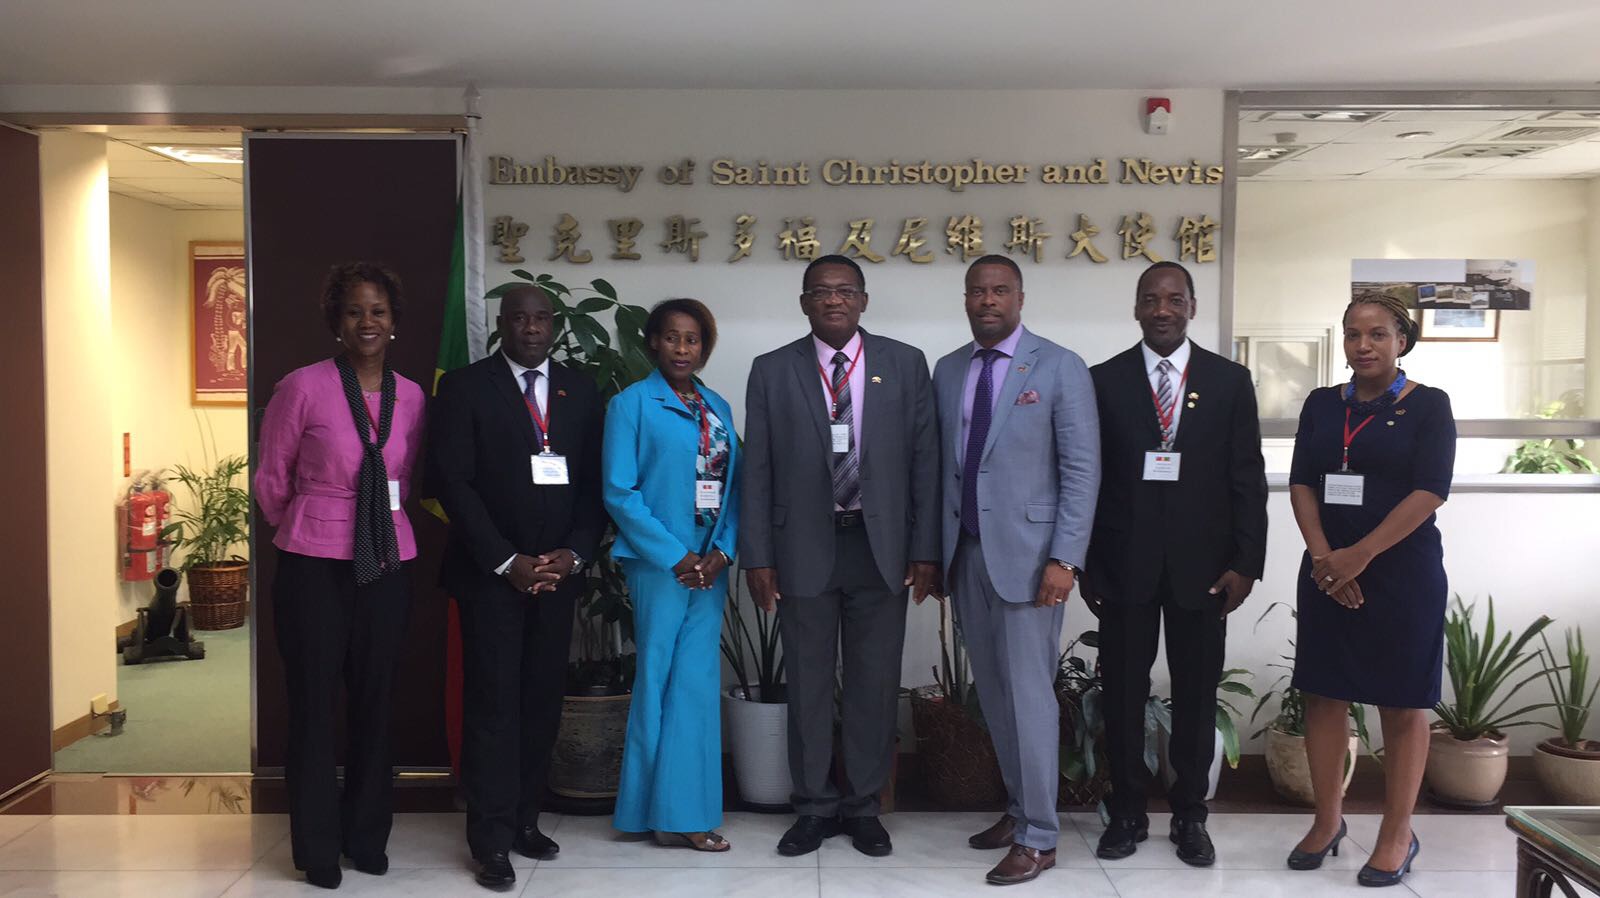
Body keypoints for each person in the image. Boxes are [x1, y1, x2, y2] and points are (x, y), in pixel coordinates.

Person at [740, 254, 941, 858]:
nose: (834, 299)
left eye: (845, 290)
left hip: (882, 549)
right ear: (804, 302)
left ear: (863, 300)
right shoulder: (772, 369)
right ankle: (813, 807)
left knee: (873, 685)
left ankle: (863, 806)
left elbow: (926, 462)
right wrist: (758, 557)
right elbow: (757, 470)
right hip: (801, 546)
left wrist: (925, 549)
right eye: (821, 291)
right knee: (806, 683)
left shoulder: (904, 364)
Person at [1084, 261, 1268, 867]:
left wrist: (1247, 561)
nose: (1161, 310)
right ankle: (1127, 812)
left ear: (1192, 306)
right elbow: (1088, 477)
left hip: (1205, 569)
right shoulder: (1103, 380)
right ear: (1136, 308)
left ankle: (1191, 815)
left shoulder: (1228, 380)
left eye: (1173, 299)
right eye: (1150, 299)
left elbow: (1247, 476)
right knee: (1122, 696)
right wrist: (1086, 562)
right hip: (1123, 565)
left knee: (1195, 695)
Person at [427, 285, 607, 892]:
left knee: (540, 703)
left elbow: (594, 485)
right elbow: (452, 483)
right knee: (493, 707)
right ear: (501, 325)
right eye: (519, 318)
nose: (531, 328)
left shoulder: (580, 390)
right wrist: (506, 560)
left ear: (554, 325)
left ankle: (526, 820)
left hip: (557, 577)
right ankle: (490, 838)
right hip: (491, 578)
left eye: (541, 318)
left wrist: (575, 553)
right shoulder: (464, 388)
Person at [254, 262, 425, 890]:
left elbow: (405, 473)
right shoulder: (301, 386)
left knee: (376, 702)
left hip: (388, 560)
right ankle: (318, 847)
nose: (367, 322)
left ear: (394, 321)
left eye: (378, 311)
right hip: (313, 565)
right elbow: (271, 480)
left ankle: (367, 836)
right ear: (337, 320)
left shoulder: (413, 395)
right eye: (354, 311)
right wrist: (314, 522)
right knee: (313, 705)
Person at [932, 254, 1100, 886]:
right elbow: (944, 468)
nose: (988, 301)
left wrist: (1065, 558)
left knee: (1029, 696)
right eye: (977, 291)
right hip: (967, 554)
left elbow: (1081, 470)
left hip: (1033, 562)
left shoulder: (1059, 366)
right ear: (965, 299)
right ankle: (1019, 808)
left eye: (1000, 290)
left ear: (1020, 298)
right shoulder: (950, 369)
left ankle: (1040, 838)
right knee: (996, 695)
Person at [1285, 292, 1455, 888]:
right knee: (1324, 694)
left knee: (1402, 702)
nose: (1364, 345)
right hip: (1327, 570)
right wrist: (1325, 559)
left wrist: (1361, 555)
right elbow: (1302, 482)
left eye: (1378, 334)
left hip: (1402, 573)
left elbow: (1430, 490)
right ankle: (1327, 821)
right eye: (1354, 334)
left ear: (1402, 341)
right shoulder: (1321, 404)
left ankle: (1396, 834)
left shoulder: (1429, 405)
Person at [605, 299, 740, 851]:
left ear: (704, 347)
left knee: (697, 686)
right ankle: (649, 812)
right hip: (661, 568)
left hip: (710, 568)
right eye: (672, 338)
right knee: (657, 682)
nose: (682, 349)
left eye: (693, 339)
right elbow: (619, 492)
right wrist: (675, 556)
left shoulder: (718, 407)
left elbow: (735, 488)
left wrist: (722, 552)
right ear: (652, 343)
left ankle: (683, 812)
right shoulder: (630, 405)